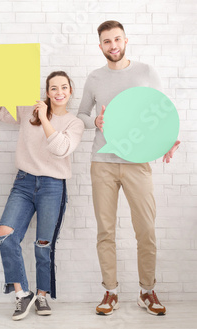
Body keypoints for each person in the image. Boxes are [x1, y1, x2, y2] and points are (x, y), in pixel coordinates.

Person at [77, 20, 180, 316]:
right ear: (100, 46)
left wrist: (168, 141)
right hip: (103, 163)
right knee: (105, 231)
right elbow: (82, 113)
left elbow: (160, 110)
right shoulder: (95, 78)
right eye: (107, 41)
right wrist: (93, 122)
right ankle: (110, 291)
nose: (113, 46)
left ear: (125, 40)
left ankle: (147, 291)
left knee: (146, 230)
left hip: (138, 163)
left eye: (117, 39)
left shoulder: (145, 72)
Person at [0, 66, 84, 320]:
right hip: (24, 183)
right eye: (53, 88)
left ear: (70, 92)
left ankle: (42, 296)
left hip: (53, 185)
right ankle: (22, 294)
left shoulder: (74, 122)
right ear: (46, 91)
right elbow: (1, 113)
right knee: (5, 234)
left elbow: (60, 149)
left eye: (64, 88)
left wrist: (45, 117)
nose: (59, 92)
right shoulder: (29, 110)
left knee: (43, 245)